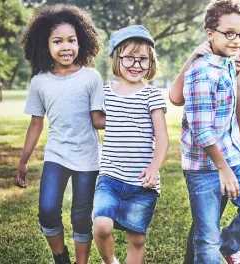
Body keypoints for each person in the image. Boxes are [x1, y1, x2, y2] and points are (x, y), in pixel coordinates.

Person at [180, 1, 240, 263]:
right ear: (210, 34)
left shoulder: (229, 62)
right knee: (206, 237)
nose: (237, 40)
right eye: (229, 33)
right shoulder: (202, 71)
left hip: (232, 155)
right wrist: (223, 168)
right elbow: (201, 129)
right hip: (203, 166)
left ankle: (228, 245)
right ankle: (212, 251)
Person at [14, 4, 103, 264]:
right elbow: (36, 124)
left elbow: (98, 119)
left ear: (81, 42)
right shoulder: (40, 81)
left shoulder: (91, 77)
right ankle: (60, 257)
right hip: (57, 155)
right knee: (48, 210)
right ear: (45, 45)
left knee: (80, 215)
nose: (66, 46)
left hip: (87, 158)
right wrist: (23, 161)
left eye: (72, 40)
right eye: (58, 41)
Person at [92, 25, 169, 264]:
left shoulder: (152, 95)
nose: (136, 64)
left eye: (143, 59)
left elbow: (163, 137)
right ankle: (110, 261)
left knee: (137, 240)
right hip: (110, 176)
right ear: (117, 58)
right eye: (129, 58)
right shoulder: (104, 92)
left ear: (151, 62)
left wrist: (154, 168)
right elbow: (97, 120)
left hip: (142, 182)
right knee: (102, 225)